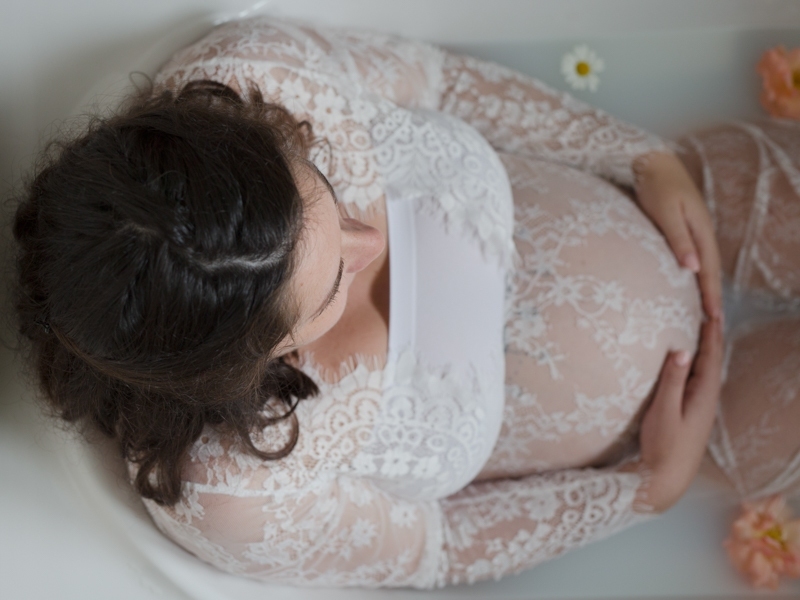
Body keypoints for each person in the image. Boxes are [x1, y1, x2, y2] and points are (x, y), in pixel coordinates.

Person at [11, 16, 799, 588]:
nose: (367, 244)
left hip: (679, 203)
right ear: (247, 369)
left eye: (324, 197)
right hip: (701, 422)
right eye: (331, 287)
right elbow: (433, 547)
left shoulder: (255, 78)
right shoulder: (235, 492)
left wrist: (635, 151)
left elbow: (443, 81)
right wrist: (645, 490)